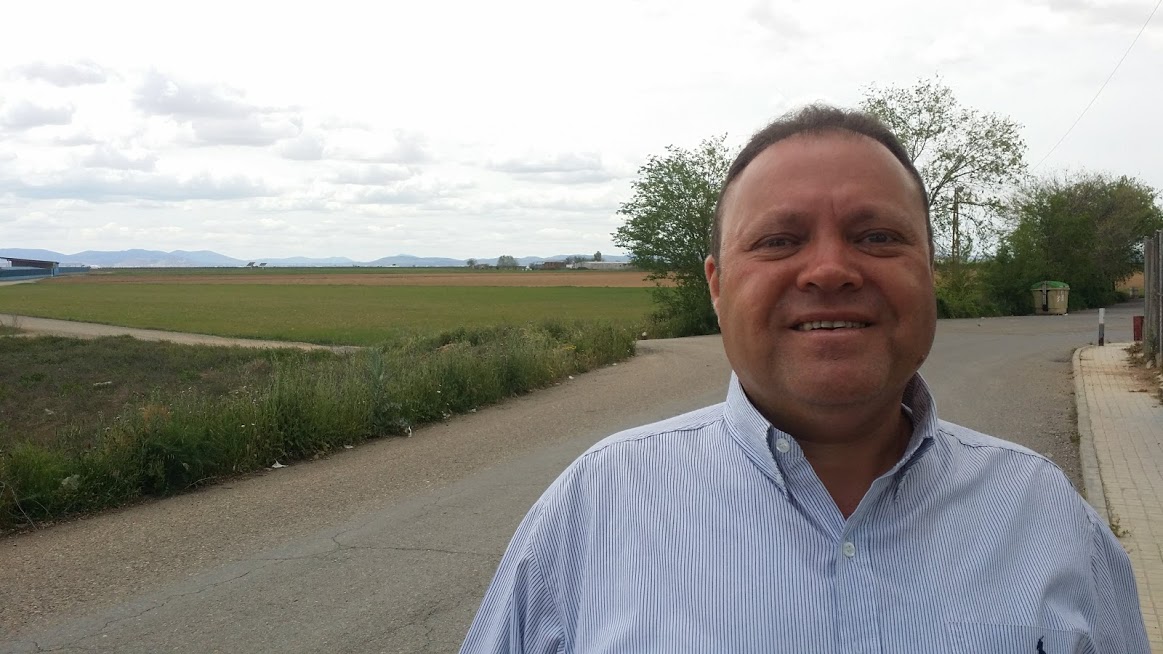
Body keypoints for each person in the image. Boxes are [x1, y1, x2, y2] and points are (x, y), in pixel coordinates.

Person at [460, 105, 1148, 653]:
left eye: (877, 236)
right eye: (778, 241)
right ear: (716, 286)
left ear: (929, 273)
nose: (828, 271)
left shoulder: (1044, 515)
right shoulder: (593, 508)